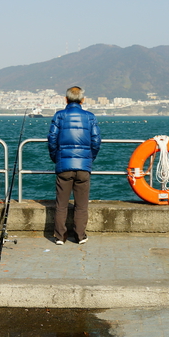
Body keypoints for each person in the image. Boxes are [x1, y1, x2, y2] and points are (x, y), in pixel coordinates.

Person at [47, 86, 101, 245]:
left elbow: (52, 140)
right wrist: (89, 159)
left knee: (61, 204)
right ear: (83, 100)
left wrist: (56, 158)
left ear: (66, 99)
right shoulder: (90, 117)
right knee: (81, 205)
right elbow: (96, 141)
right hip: (84, 167)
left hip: (64, 165)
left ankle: (59, 236)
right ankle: (80, 236)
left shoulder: (59, 116)